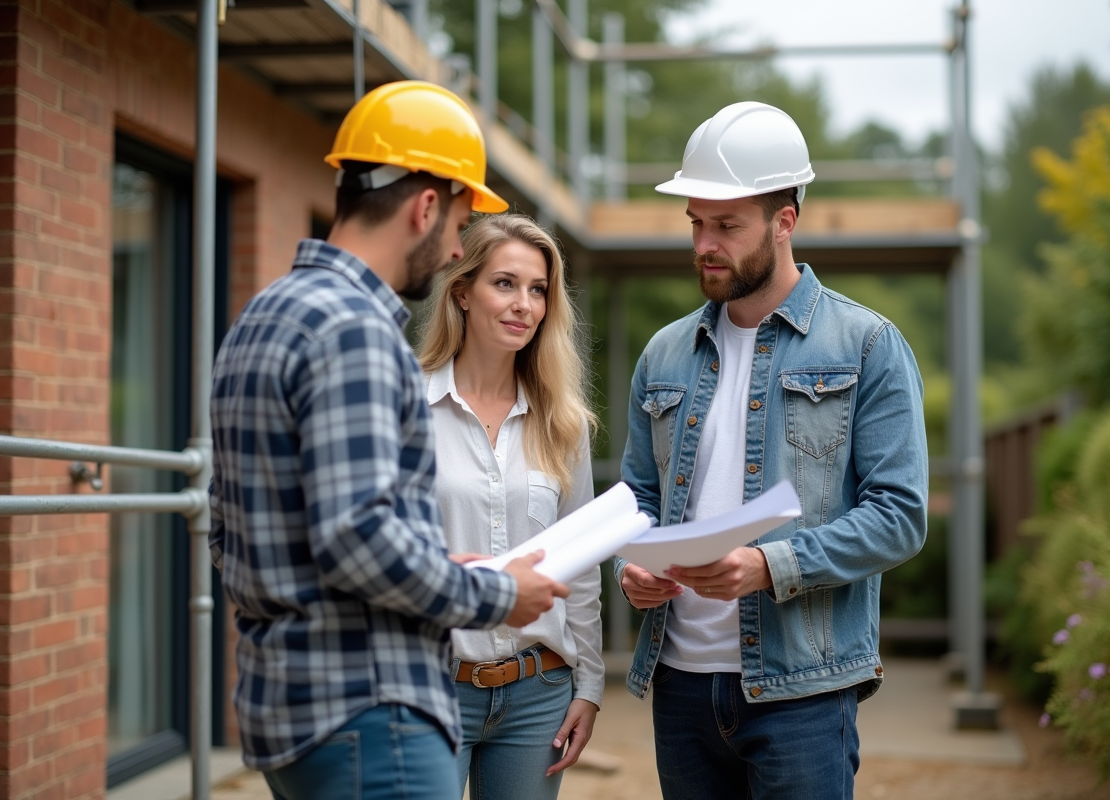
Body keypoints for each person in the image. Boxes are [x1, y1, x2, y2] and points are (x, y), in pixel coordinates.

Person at [208, 81, 570, 800]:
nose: (458, 247)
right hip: (371, 715)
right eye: (462, 218)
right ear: (426, 205)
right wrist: (491, 592)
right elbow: (355, 537)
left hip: (289, 706)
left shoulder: (263, 314)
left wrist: (432, 560)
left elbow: (235, 530)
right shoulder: (356, 329)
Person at [615, 101, 929, 800]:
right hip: (681, 688)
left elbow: (900, 516)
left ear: (785, 220)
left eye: (726, 225)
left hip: (803, 695)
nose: (705, 243)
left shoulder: (867, 345)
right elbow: (636, 497)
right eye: (696, 222)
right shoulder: (663, 353)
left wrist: (767, 566)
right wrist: (631, 564)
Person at [416, 213, 603, 800]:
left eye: (538, 289)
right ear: (462, 291)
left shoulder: (564, 425)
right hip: (431, 686)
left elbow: (582, 566)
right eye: (505, 283)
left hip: (538, 693)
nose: (524, 303)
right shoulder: (406, 408)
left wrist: (590, 687)